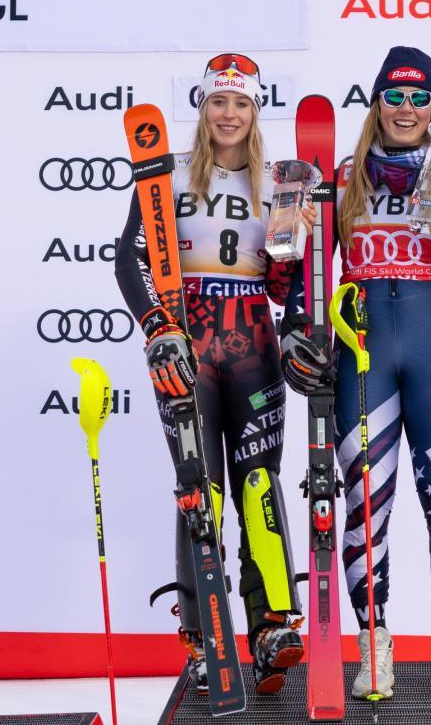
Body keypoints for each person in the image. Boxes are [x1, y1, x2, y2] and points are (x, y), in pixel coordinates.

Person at [280, 46, 431, 699]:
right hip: (362, 351)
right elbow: (304, 272)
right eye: (393, 97)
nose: (405, 109)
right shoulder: (340, 177)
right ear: (376, 104)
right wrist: (297, 337)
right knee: (366, 506)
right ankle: (375, 646)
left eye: (418, 97)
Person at [115, 53, 313, 696]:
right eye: (218, 103)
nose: (229, 114)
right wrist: (157, 327)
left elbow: (284, 289)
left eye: (242, 104)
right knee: (199, 487)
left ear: (256, 112)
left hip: (252, 340)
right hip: (187, 344)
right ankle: (204, 636)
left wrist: (294, 240)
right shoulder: (168, 177)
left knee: (259, 480)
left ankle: (271, 626)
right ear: (203, 109)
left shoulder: (276, 184)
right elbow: (130, 259)